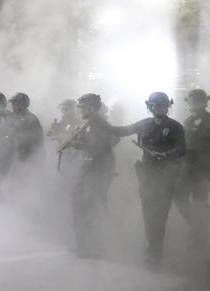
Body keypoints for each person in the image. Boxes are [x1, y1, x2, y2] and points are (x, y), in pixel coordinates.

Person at [110, 92, 186, 265]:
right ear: (150, 107)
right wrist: (101, 123)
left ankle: (156, 253)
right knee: (148, 213)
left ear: (168, 106)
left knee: (160, 214)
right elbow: (122, 131)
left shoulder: (175, 127)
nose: (161, 108)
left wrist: (165, 155)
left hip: (166, 176)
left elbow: (182, 149)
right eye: (157, 105)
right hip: (147, 175)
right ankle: (152, 248)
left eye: (164, 105)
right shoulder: (144, 124)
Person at [63, 94, 115, 258]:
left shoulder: (100, 124)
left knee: (92, 208)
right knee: (79, 205)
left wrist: (74, 144)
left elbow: (97, 147)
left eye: (84, 107)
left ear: (92, 108)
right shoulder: (88, 123)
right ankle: (83, 245)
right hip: (88, 168)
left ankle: (96, 247)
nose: (81, 110)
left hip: (98, 170)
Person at [175, 89, 210, 249]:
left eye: (196, 101)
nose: (192, 103)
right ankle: (197, 226)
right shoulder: (188, 120)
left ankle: (201, 235)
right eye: (190, 100)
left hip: (204, 168)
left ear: (204, 102)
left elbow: (205, 146)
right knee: (179, 196)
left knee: (200, 201)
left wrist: (183, 151)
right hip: (189, 167)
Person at [8, 92, 43, 163]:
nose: (12, 106)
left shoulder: (31, 119)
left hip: (28, 158)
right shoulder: (13, 117)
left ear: (22, 105)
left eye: (14, 104)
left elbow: (38, 141)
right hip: (16, 157)